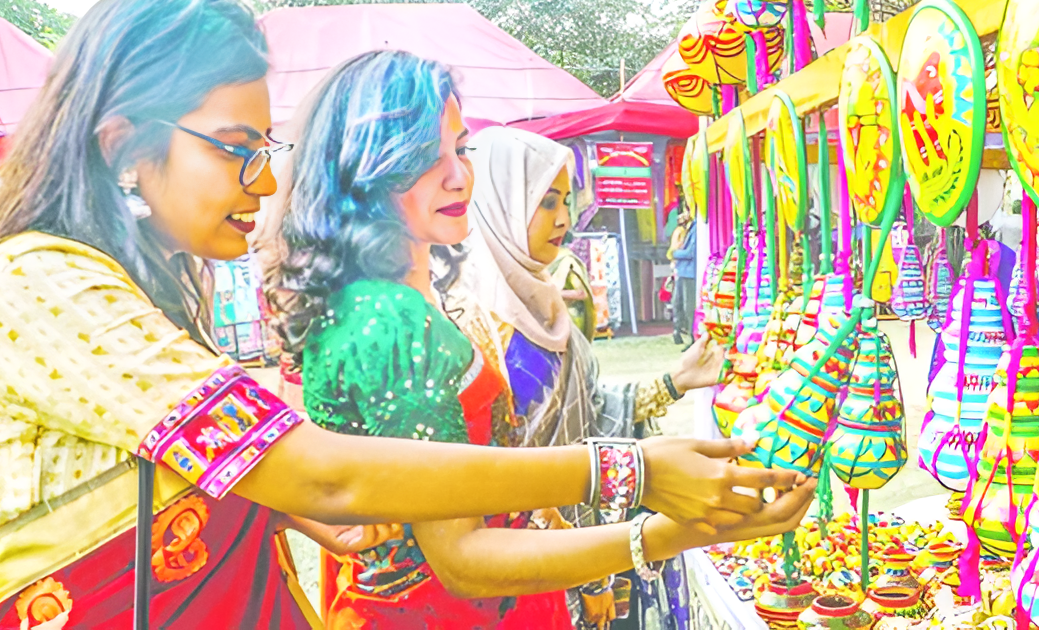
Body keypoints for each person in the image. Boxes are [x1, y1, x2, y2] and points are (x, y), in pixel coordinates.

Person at [0, 0, 808, 628]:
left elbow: (208, 474)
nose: (264, 178)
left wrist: (280, 506)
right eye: (235, 149)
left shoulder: (150, 282)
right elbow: (325, 470)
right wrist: (635, 477)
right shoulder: (42, 281)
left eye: (266, 149)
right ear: (123, 144)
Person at [270, 51, 816, 628]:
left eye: (460, 149)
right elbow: (461, 557)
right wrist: (666, 533)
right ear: (364, 170)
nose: (458, 177)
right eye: (425, 158)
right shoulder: (388, 319)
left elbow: (501, 469)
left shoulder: (405, 298)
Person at [460, 127, 728, 628]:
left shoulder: (540, 301)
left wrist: (675, 380)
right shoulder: (479, 325)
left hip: (575, 551)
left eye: (567, 201)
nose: (564, 218)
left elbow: (589, 410)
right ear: (500, 203)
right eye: (546, 202)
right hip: (527, 569)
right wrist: (590, 579)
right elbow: (511, 475)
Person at [669, 209, 698, 347]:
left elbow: (690, 252)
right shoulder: (688, 228)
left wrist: (675, 253)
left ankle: (692, 336)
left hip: (689, 272)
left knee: (688, 306)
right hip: (682, 271)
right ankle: (679, 331)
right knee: (677, 303)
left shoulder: (696, 228)